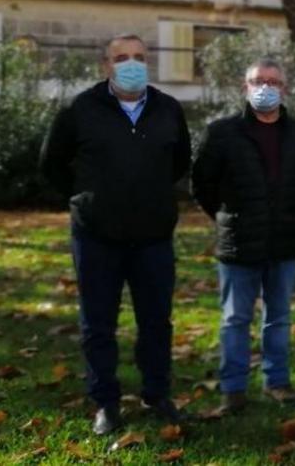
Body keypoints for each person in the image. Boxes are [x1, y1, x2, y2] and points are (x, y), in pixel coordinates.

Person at [39, 34, 191, 435]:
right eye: (121, 58)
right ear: (105, 65)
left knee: (157, 322)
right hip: (96, 237)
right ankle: (105, 402)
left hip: (154, 236)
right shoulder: (80, 108)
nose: (132, 64)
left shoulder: (169, 110)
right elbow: (52, 163)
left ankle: (156, 393)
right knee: (98, 324)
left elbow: (179, 162)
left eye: (140, 57)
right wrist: (89, 197)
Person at [191, 58, 295, 415]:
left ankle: (276, 382)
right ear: (244, 87)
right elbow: (202, 184)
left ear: (285, 89)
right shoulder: (221, 132)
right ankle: (233, 390)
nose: (266, 87)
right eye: (258, 80)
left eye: (273, 82)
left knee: (278, 317)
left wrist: (287, 214)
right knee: (235, 319)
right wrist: (227, 218)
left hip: (285, 242)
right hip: (238, 243)